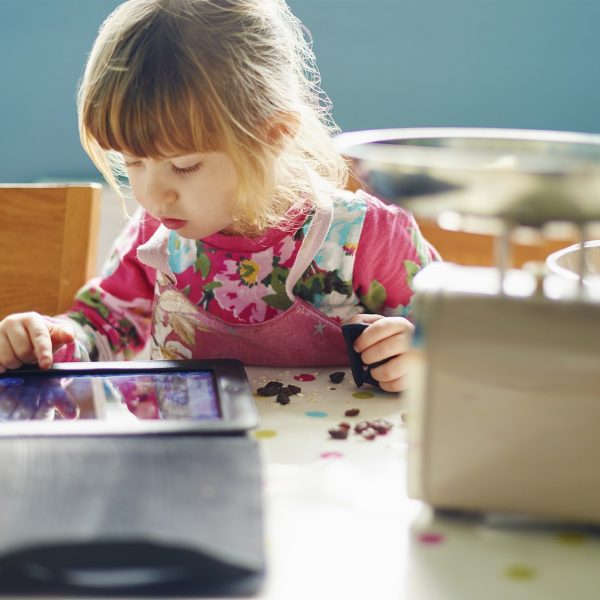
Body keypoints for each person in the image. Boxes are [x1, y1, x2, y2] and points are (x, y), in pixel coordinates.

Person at [0, 0, 438, 392]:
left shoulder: (364, 235)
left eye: (184, 165)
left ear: (271, 137)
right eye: (132, 162)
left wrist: (415, 351)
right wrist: (49, 341)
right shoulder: (156, 236)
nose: (152, 194)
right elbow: (101, 329)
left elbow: (460, 337)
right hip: (189, 465)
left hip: (329, 471)